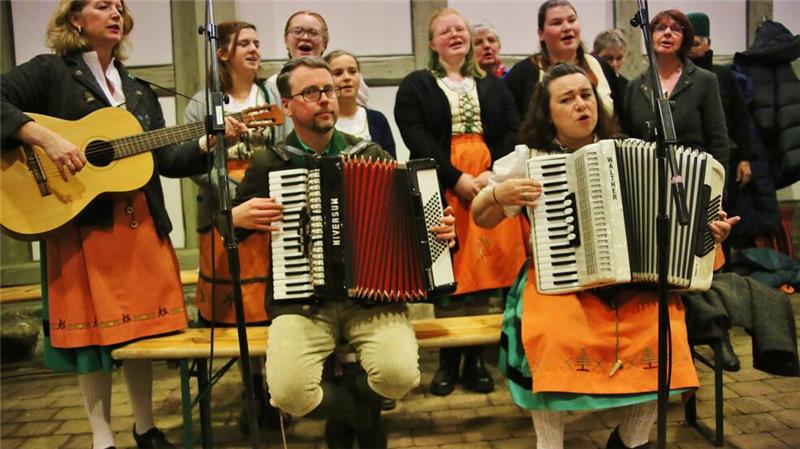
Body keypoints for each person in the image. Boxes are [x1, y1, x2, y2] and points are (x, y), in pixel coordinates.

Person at [0, 1, 246, 449]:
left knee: (145, 330)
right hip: (82, 222)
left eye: (119, 7)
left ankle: (146, 427)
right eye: (101, 5)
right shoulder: (51, 72)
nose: (115, 12)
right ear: (75, 19)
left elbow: (162, 158)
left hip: (140, 222)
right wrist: (45, 137)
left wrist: (206, 143)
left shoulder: (135, 88)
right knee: (93, 338)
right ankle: (101, 438)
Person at [471, 63, 739, 449]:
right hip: (559, 283)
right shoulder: (530, 158)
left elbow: (686, 226)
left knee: (664, 336)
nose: (581, 104)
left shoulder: (633, 152)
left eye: (586, 95)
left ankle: (631, 440)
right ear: (548, 113)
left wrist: (709, 232)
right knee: (550, 334)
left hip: (631, 284)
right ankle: (550, 444)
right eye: (567, 99)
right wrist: (497, 195)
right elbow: (483, 214)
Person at [231, 56, 457, 449]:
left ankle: (354, 404)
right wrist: (235, 216)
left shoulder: (370, 153)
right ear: (287, 105)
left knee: (400, 377)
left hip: (368, 300)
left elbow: (418, 219)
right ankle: (357, 412)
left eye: (329, 90)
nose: (325, 99)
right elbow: (225, 227)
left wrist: (441, 231)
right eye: (311, 92)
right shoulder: (272, 162)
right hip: (302, 302)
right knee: (287, 395)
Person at [395, 7, 527, 397]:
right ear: (433, 43)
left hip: (489, 186)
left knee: (485, 275)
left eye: (460, 29)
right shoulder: (416, 84)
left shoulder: (492, 84)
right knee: (448, 272)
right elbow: (414, 133)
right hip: (443, 183)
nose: (455, 35)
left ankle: (474, 360)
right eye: (445, 31)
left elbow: (512, 129)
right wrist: (456, 178)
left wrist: (490, 177)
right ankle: (449, 361)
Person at [183, 20, 283, 433]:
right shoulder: (202, 103)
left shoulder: (271, 95)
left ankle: (274, 387)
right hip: (223, 211)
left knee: (272, 305)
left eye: (258, 43)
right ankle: (252, 390)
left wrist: (263, 186)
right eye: (245, 43)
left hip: (269, 207)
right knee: (238, 307)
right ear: (222, 52)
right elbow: (193, 159)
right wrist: (232, 191)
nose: (255, 49)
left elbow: (286, 144)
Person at [623, 9, 729, 171]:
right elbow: (628, 142)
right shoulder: (634, 86)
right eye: (660, 28)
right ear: (650, 36)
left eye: (675, 29)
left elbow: (718, 141)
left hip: (694, 178)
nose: (667, 33)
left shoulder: (705, 81)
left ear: (685, 39)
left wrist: (717, 187)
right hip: (646, 180)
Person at [504, 0, 622, 119]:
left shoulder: (602, 67)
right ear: (541, 34)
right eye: (557, 23)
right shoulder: (522, 74)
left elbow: (621, 121)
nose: (567, 27)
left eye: (572, 20)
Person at [266, 10, 369, 143]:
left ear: (325, 43)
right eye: (298, 31)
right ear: (286, 40)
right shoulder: (274, 84)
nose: (305, 37)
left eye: (313, 33)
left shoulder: (339, 79)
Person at [324, 50, 396, 158]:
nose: (347, 78)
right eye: (338, 73)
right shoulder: (322, 122)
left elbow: (392, 166)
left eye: (353, 71)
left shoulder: (377, 119)